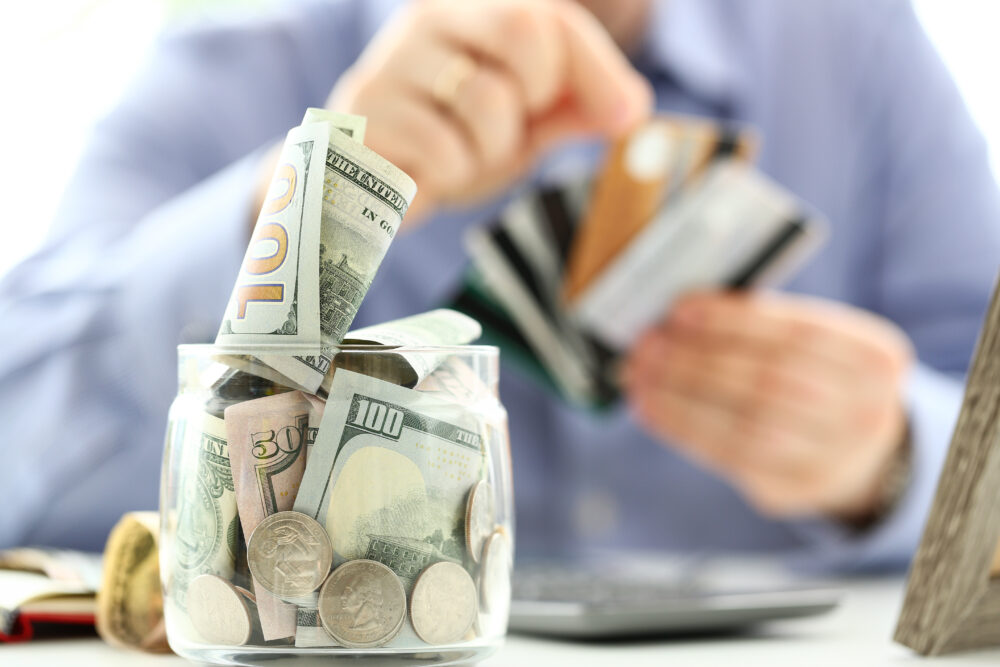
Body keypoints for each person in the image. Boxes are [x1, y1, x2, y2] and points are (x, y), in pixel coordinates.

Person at [1, 0, 997, 573]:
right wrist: (301, 220)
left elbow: (976, 421)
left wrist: (895, 460)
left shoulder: (859, 50)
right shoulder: (230, 61)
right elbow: (15, 437)